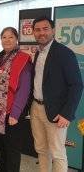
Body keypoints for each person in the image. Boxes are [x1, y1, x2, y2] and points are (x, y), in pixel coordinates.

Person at [30, 17, 83, 172]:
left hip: (56, 112)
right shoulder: (38, 53)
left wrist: (67, 114)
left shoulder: (64, 53)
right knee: (41, 150)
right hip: (36, 108)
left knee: (58, 153)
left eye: (45, 29)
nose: (41, 33)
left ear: (53, 31)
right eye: (37, 30)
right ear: (33, 32)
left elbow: (77, 85)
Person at [0, 27, 32, 172]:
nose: (7, 40)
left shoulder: (23, 59)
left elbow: (24, 89)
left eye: (11, 37)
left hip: (11, 114)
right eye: (4, 37)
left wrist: (16, 113)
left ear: (16, 39)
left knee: (12, 151)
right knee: (0, 148)